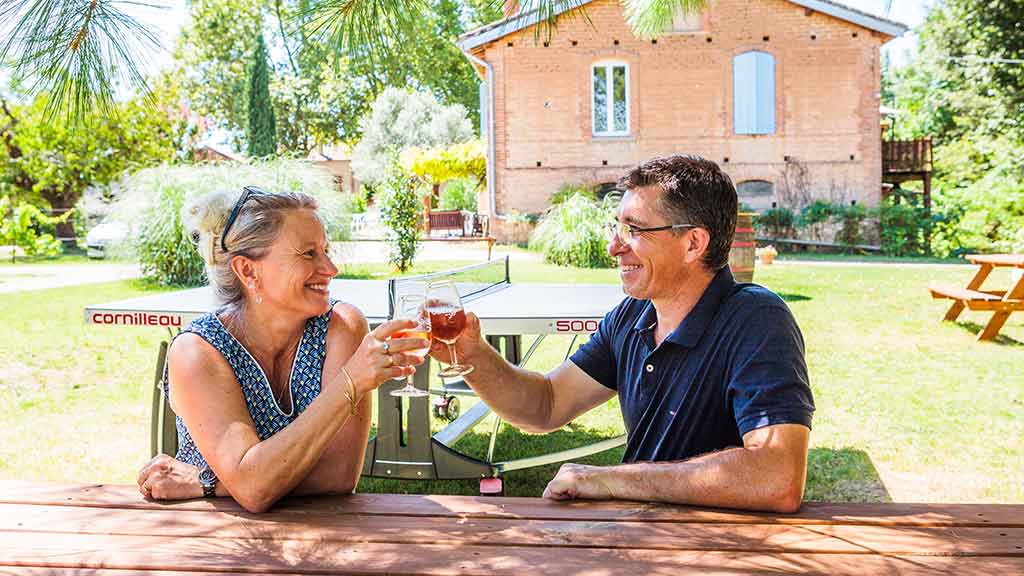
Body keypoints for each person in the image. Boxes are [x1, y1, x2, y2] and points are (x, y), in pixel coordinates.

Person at [430, 154, 815, 512]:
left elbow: (777, 475)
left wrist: (611, 479)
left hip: (718, 550)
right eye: (618, 228)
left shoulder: (757, 320)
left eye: (634, 230)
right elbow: (546, 404)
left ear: (693, 243)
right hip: (638, 539)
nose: (614, 246)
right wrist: (472, 358)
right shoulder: (633, 316)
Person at [135, 187, 429, 512]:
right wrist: (350, 381)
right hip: (214, 542)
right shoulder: (198, 351)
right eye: (309, 254)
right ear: (249, 271)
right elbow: (252, 490)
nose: (331, 268)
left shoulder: (342, 326)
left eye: (326, 250)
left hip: (323, 537)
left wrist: (207, 481)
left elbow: (339, 477)